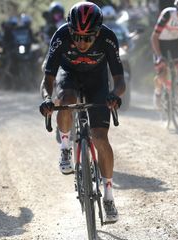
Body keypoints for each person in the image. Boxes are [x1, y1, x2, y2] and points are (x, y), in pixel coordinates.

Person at [39, 2, 125, 223]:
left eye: (88, 37)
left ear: (98, 32)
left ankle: (108, 196)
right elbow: (48, 79)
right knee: (66, 100)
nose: (82, 42)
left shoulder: (108, 37)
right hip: (69, 75)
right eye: (77, 36)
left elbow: (119, 80)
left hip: (97, 81)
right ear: (70, 30)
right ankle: (66, 147)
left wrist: (115, 95)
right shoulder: (60, 36)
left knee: (100, 138)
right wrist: (48, 99)